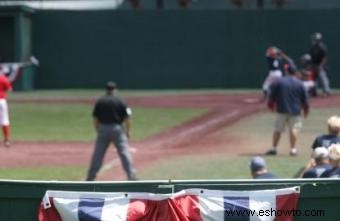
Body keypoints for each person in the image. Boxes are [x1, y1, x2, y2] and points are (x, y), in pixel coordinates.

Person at [86, 81, 137, 181]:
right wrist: (128, 131)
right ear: (115, 89)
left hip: (103, 129)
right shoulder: (120, 101)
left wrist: (98, 130)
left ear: (106, 90)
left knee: (98, 154)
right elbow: (127, 118)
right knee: (124, 152)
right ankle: (132, 176)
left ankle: (91, 177)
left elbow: (95, 119)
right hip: (117, 129)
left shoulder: (101, 101)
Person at [265, 62, 309, 156]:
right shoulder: (300, 83)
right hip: (295, 111)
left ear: (286, 71)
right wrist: (306, 110)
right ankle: (293, 149)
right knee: (294, 130)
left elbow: (272, 96)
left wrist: (271, 106)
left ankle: (274, 148)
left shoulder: (279, 82)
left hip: (281, 109)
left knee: (278, 129)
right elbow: (305, 100)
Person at [309, 32, 330, 96]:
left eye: (315, 39)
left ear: (318, 39)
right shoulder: (312, 47)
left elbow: (324, 58)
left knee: (323, 78)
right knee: (313, 79)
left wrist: (321, 66)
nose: (314, 40)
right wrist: (311, 65)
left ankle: (326, 91)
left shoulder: (322, 47)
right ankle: (313, 91)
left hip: (320, 65)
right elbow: (311, 57)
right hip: (314, 65)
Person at [0, 67, 13, 147]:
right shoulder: (3, 78)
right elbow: (9, 89)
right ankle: (7, 140)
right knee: (4, 120)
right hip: (1, 101)